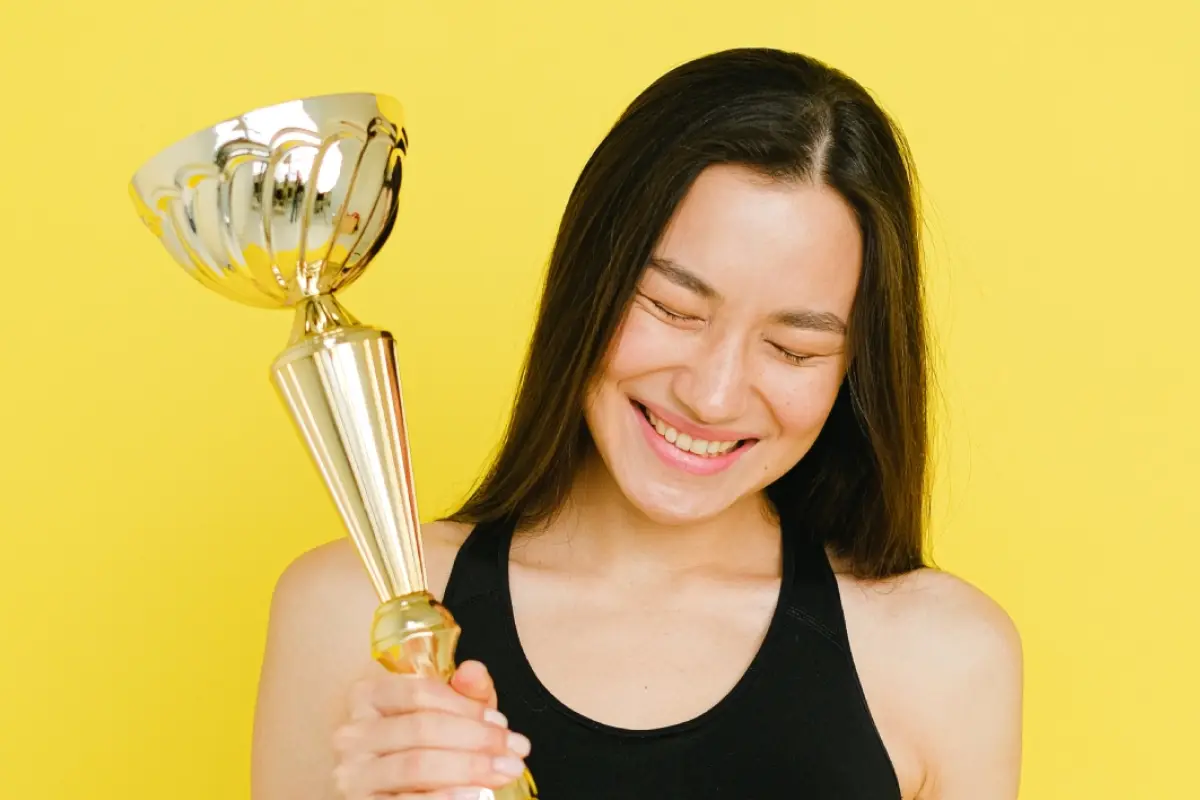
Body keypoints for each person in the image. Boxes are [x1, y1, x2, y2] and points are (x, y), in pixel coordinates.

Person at [250, 47, 1023, 799]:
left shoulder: (945, 661)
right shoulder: (347, 611)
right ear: (589, 280)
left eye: (794, 348)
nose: (714, 396)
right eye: (673, 309)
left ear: (854, 369)